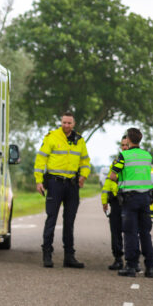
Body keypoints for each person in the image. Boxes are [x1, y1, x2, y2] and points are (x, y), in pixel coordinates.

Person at [34, 111, 91, 268]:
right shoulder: (51, 137)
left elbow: (85, 160)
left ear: (74, 124)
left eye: (69, 123)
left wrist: (84, 176)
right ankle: (47, 253)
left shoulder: (79, 140)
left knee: (69, 221)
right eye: (64, 122)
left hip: (72, 185)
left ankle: (69, 256)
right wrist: (39, 181)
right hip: (55, 183)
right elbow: (40, 159)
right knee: (51, 218)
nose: (66, 125)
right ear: (61, 122)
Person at [109, 127, 153, 277]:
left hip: (130, 199)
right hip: (145, 198)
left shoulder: (123, 155)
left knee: (130, 233)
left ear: (128, 140)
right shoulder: (147, 156)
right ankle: (150, 267)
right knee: (145, 233)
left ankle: (131, 266)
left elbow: (112, 176)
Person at [101, 135, 130, 270]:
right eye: (123, 145)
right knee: (115, 231)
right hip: (115, 201)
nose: (124, 147)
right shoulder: (117, 161)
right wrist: (104, 200)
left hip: (129, 200)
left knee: (131, 231)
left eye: (127, 145)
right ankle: (118, 259)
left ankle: (132, 261)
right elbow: (108, 180)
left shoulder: (133, 161)